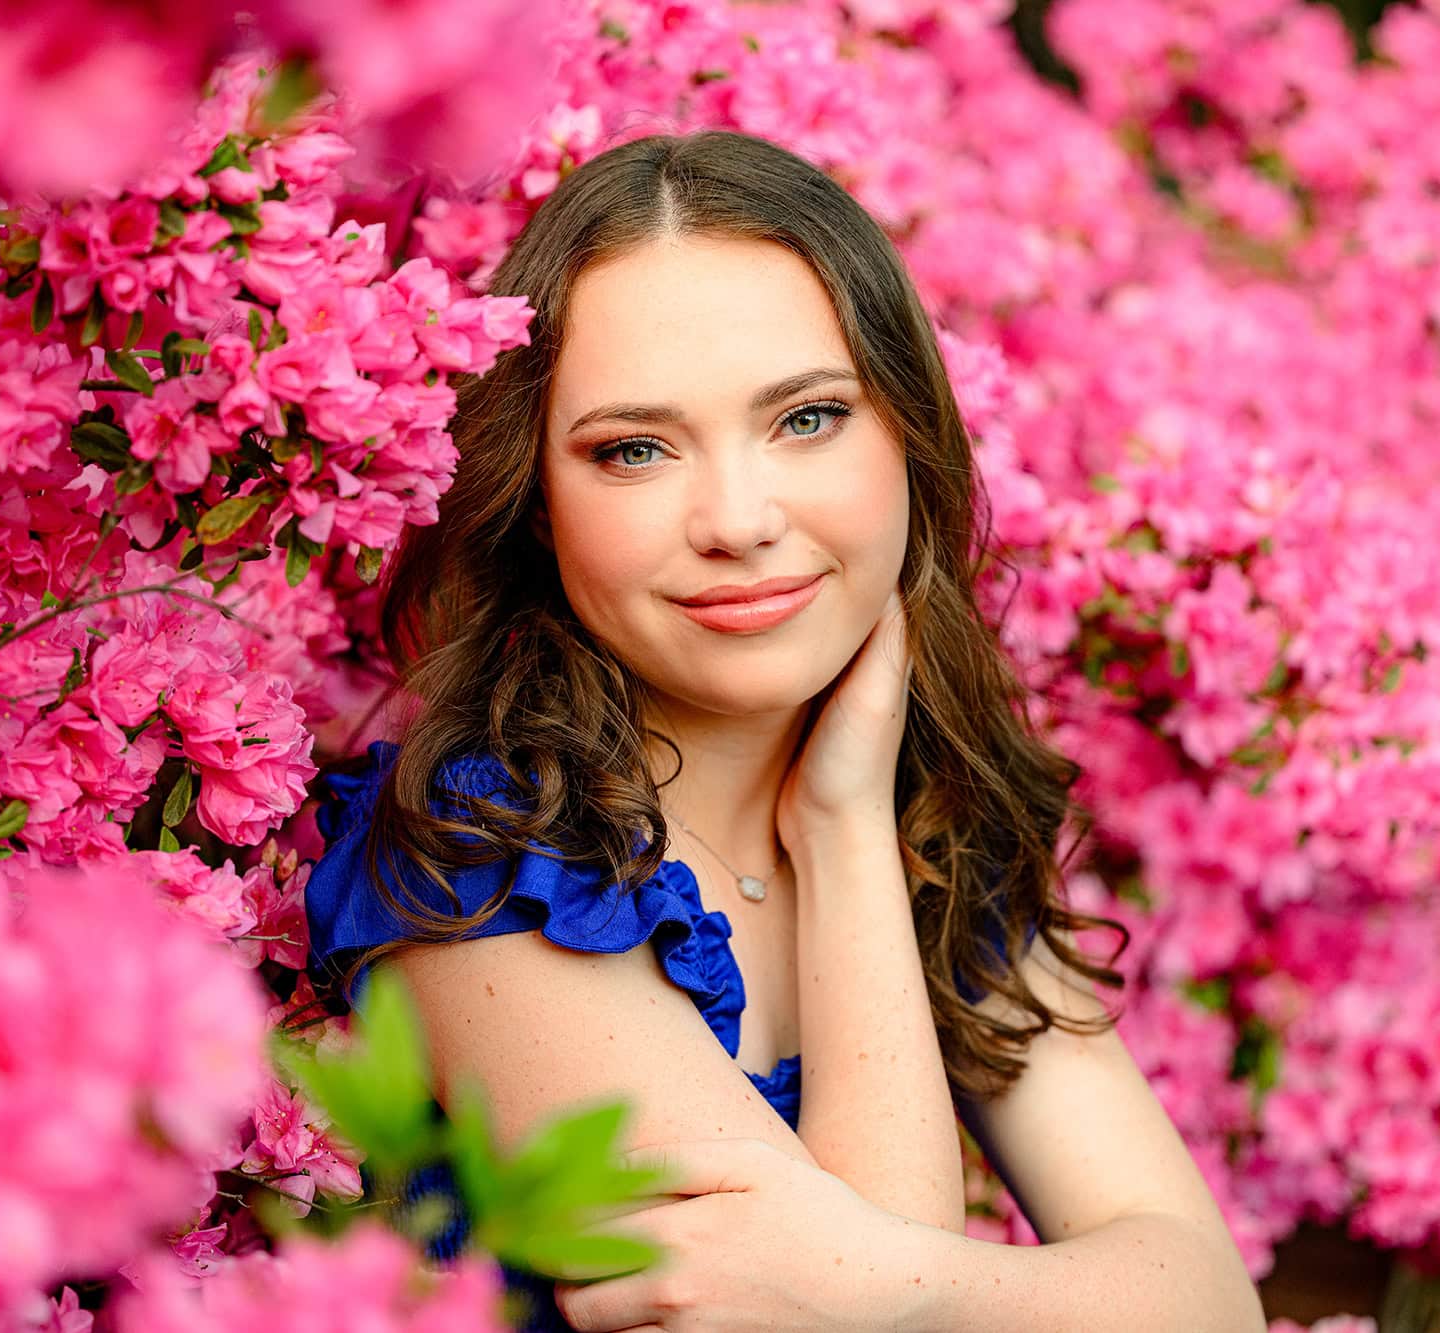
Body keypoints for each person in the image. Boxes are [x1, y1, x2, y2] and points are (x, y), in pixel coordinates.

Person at [304, 128, 1265, 1331]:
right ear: (538, 506)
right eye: (634, 450)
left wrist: (847, 823)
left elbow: (1211, 1303)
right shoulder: (476, 856)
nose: (738, 519)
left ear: (909, 436)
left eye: (805, 418)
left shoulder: (927, 824)